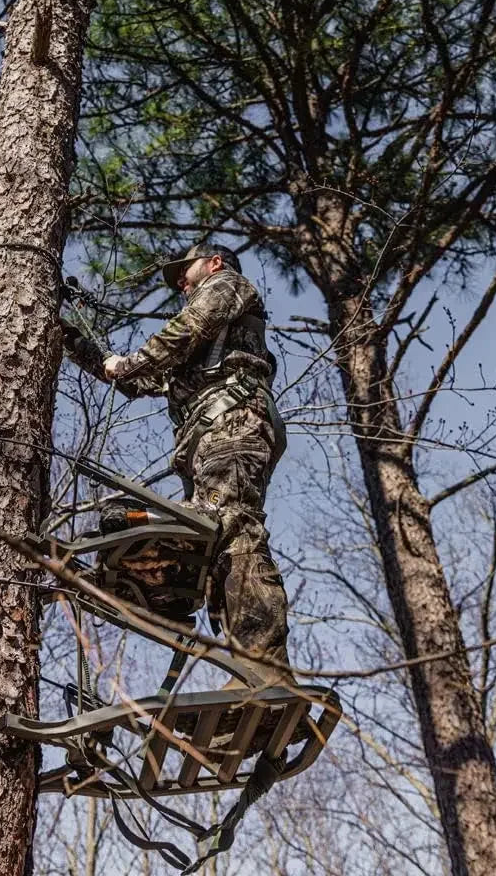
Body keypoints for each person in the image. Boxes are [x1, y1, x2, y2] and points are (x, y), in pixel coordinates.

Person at [60, 242, 292, 687]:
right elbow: (137, 379)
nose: (181, 283)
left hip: (234, 424)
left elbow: (186, 328)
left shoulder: (228, 286)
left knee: (233, 528)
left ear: (215, 263)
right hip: (209, 441)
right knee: (216, 545)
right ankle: (242, 665)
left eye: (185, 272)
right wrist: (72, 340)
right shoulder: (197, 349)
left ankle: (264, 668)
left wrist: (126, 362)